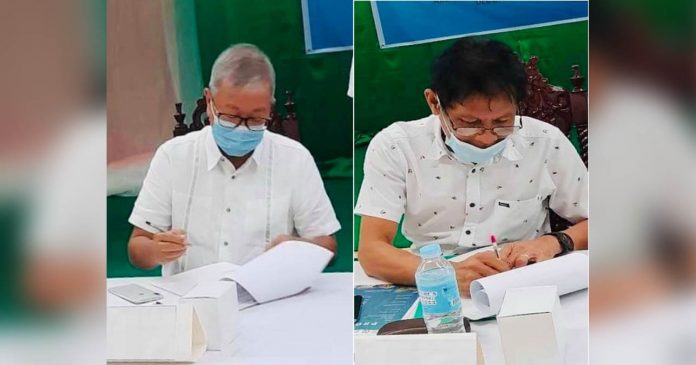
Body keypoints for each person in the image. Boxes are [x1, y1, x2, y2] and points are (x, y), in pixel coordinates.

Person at [355, 38, 588, 295]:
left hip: (522, 279)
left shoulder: (545, 141)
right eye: (469, 123)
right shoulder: (397, 146)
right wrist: (448, 273)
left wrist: (554, 242)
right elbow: (372, 250)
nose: (486, 137)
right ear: (434, 102)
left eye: (502, 122)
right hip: (434, 282)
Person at [127, 44, 340, 275]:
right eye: (232, 116)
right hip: (192, 301)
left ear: (270, 107)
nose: (242, 128)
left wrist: (300, 248)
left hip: (271, 300)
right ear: (209, 101)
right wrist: (156, 251)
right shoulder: (173, 156)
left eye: (256, 118)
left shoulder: (294, 159)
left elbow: (328, 246)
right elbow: (137, 247)